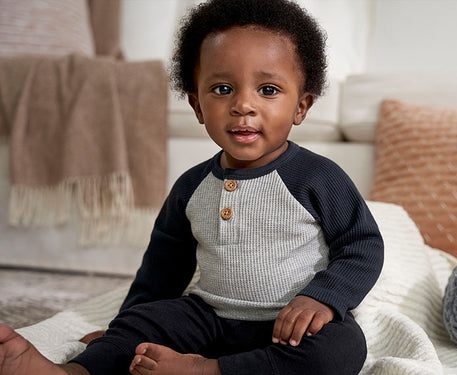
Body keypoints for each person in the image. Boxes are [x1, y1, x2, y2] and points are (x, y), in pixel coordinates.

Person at [0, 0, 384, 374]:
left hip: (287, 323)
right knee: (143, 325)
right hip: (209, 318)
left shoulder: (318, 177)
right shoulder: (192, 186)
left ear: (301, 106)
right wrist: (126, 328)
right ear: (197, 105)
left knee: (341, 348)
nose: (243, 105)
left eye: (268, 90)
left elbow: (362, 245)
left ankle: (206, 370)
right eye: (222, 89)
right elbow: (161, 270)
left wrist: (323, 298)